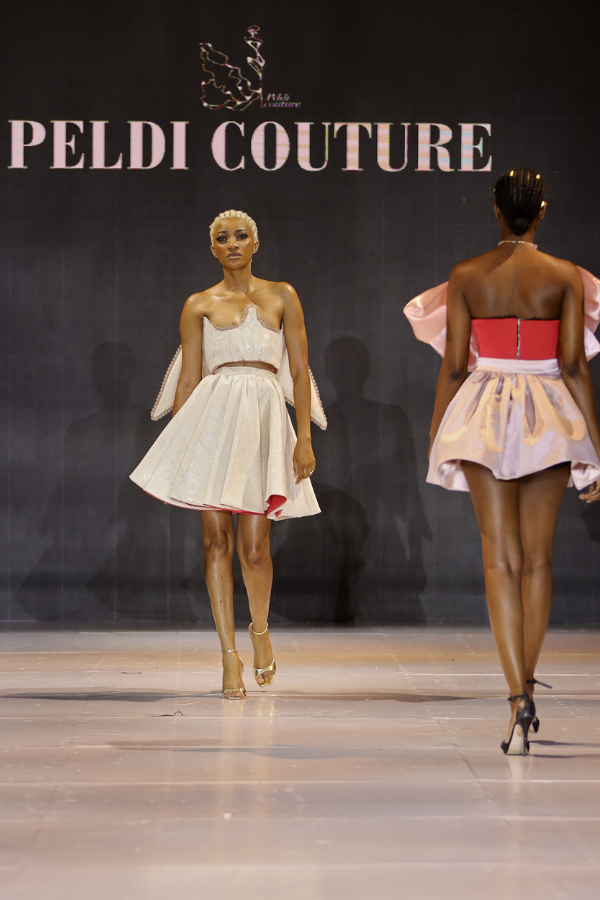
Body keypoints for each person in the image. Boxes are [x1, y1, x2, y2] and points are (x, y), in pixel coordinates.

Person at [405, 169, 600, 755]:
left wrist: (438, 432)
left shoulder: (467, 274)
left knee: (500, 559)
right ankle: (528, 689)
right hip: (550, 413)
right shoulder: (563, 275)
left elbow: (455, 366)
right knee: (538, 560)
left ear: (496, 210)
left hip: (483, 412)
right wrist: (594, 445)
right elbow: (573, 365)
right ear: (542, 211)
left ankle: (516, 697)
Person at [130, 210, 326, 699]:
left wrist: (303, 437)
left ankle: (259, 631)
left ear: (255, 243)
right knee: (215, 542)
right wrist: (181, 447)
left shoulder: (282, 295)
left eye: (241, 236)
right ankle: (227, 656)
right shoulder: (198, 304)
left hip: (262, 422)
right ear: (212, 247)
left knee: (254, 548)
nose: (232, 243)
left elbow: (299, 371)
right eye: (223, 238)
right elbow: (189, 379)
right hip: (212, 424)